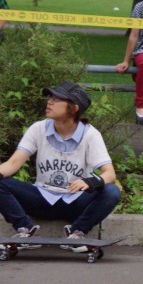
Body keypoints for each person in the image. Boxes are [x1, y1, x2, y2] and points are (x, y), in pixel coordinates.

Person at [0, 82, 121, 249]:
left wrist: (89, 182)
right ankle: (27, 232)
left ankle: (76, 232)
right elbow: (12, 164)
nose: (49, 102)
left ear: (73, 108)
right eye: (50, 97)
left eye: (57, 99)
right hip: (41, 199)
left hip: (75, 201)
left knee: (112, 191)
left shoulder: (90, 134)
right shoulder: (38, 129)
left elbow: (110, 174)